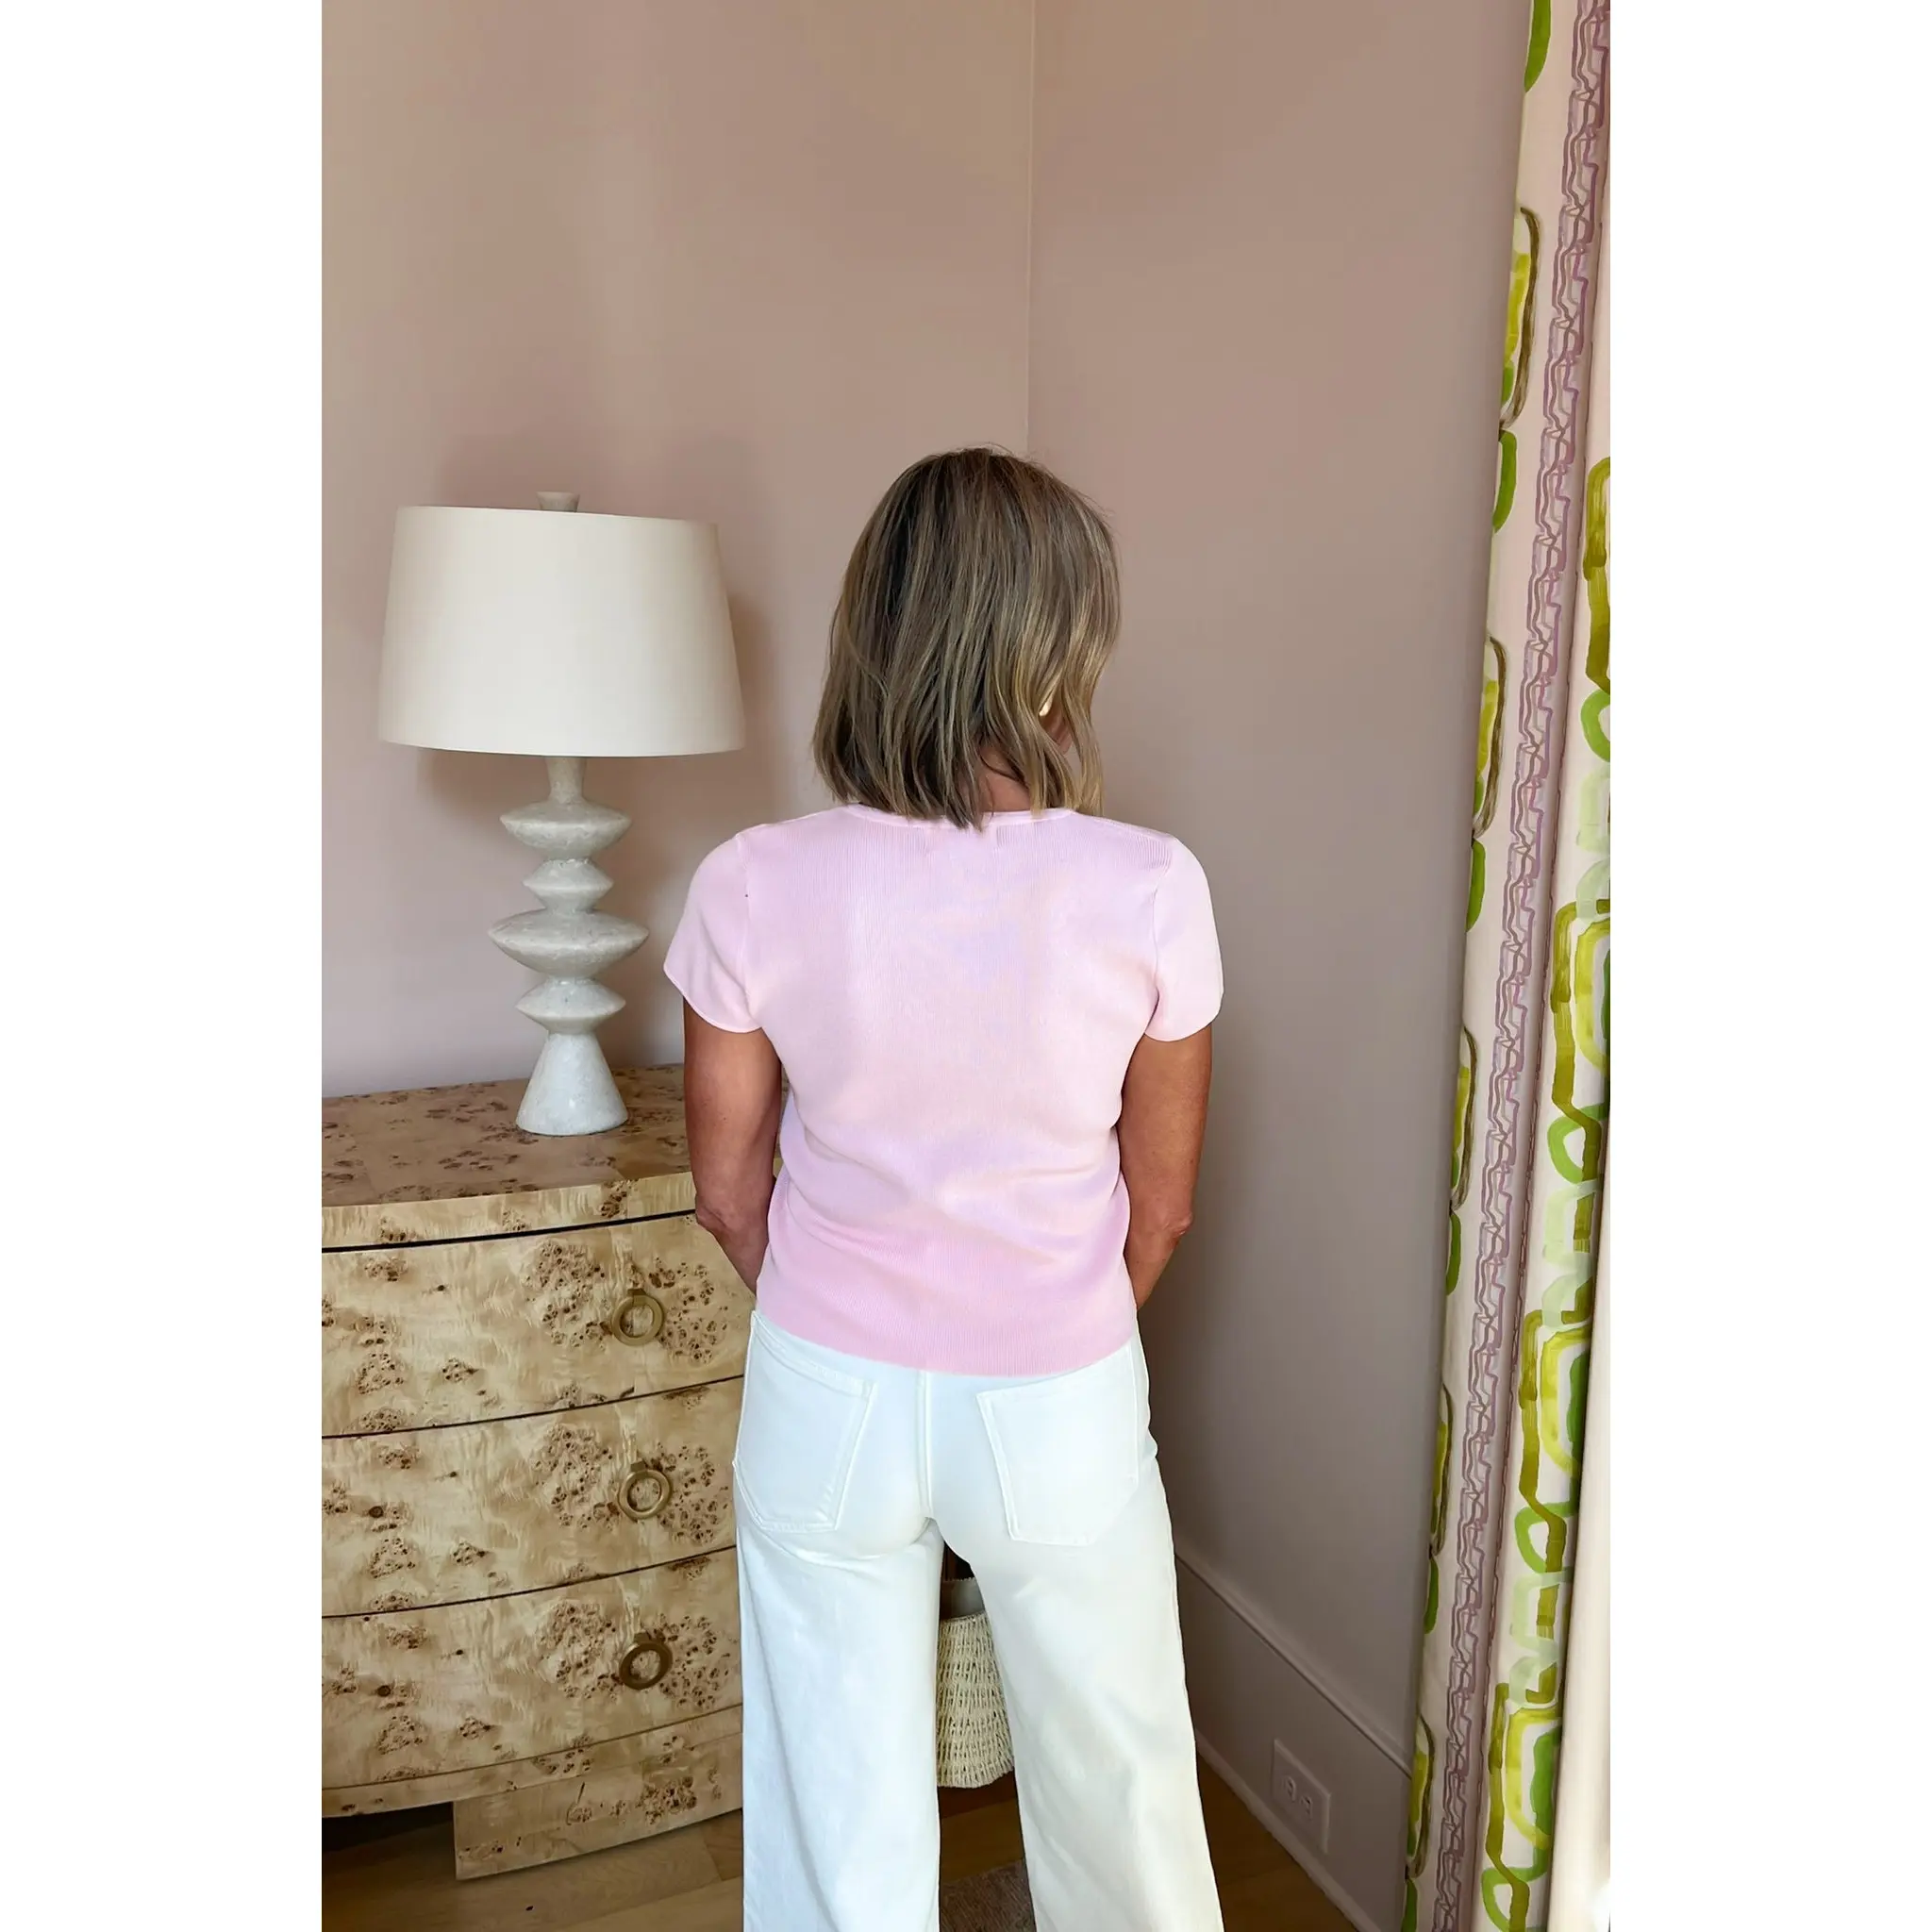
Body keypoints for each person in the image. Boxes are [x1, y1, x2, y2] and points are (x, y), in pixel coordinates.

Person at [664, 446, 1224, 1931]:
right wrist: (1053, 1321)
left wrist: (837, 1305)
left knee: (832, 1808)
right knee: (1119, 1793)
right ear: (1051, 653)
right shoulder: (1148, 885)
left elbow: (727, 1190)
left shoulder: (752, 880)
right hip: (1055, 1389)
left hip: (827, 1390)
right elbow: (1162, 1204)